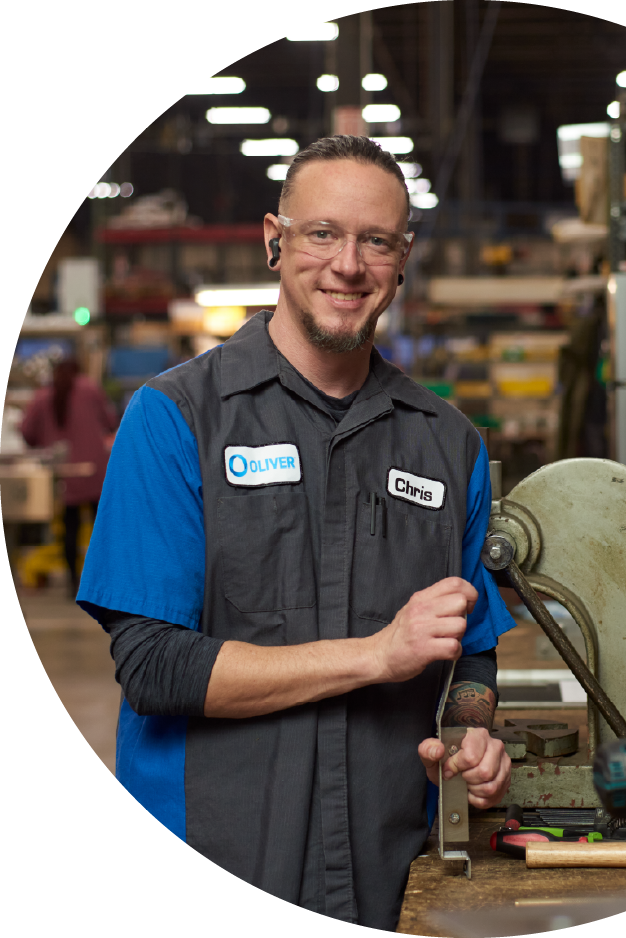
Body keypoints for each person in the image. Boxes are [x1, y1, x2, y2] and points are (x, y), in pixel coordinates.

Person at [76, 135, 516, 935]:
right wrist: (378, 656)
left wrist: (472, 735)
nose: (347, 265)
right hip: (212, 861)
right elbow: (153, 668)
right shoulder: (176, 419)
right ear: (275, 239)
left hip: (387, 863)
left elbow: (471, 649)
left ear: (402, 257)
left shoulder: (449, 446)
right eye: (322, 234)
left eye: (375, 240)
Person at [19, 357, 118, 597]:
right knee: (101, 529)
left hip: (65, 476)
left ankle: (73, 583)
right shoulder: (91, 389)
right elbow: (111, 422)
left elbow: (26, 432)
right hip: (96, 472)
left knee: (69, 529)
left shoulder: (43, 396)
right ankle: (105, 580)